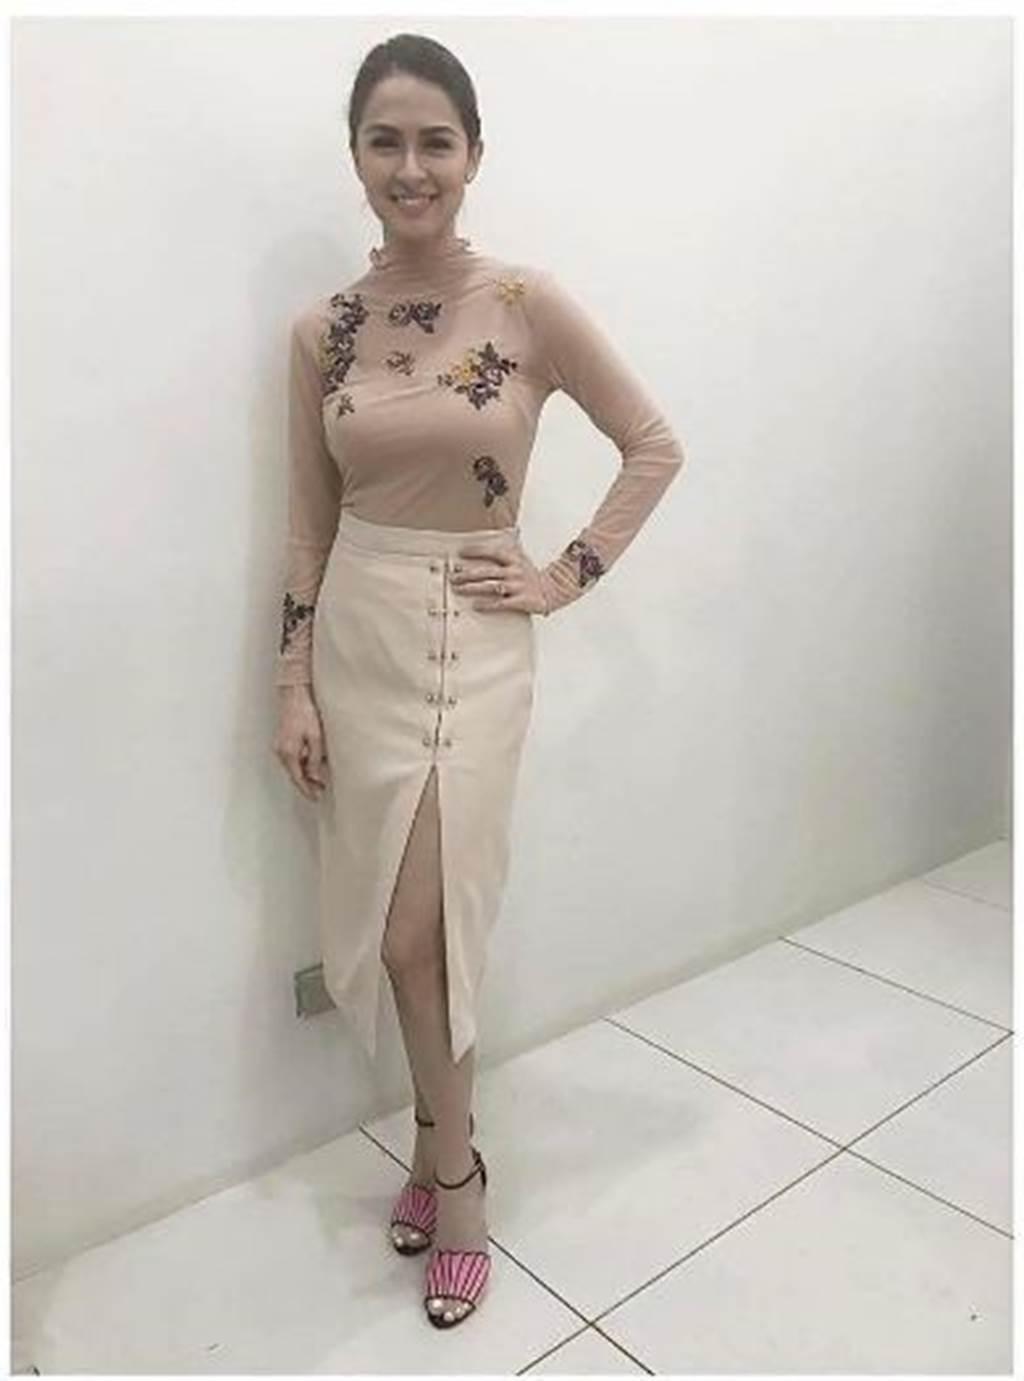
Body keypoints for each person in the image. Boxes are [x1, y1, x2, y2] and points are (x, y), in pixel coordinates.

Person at [272, 32, 686, 1329]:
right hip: (360, 634)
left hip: (479, 634)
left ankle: (455, 1175)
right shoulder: (322, 331)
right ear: (356, 156)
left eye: (435, 141)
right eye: (385, 141)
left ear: (473, 155)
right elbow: (307, 525)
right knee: (398, 924)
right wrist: (290, 682)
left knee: (425, 928)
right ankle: (434, 1144)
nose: (412, 166)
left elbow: (653, 445)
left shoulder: (524, 300)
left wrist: (562, 576)